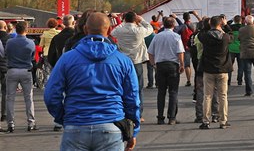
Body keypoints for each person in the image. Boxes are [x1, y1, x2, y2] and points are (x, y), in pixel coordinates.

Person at [44, 12, 140, 151]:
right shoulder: (123, 61)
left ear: (85, 30)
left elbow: (51, 95)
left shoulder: (67, 59)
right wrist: (133, 130)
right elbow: (132, 98)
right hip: (111, 124)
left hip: (76, 125)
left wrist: (63, 117)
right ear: (108, 30)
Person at [111, 11, 153, 121]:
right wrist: (141, 20)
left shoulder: (120, 29)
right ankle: (139, 113)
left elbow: (113, 32)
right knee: (138, 88)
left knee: (123, 87)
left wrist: (123, 22)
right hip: (136, 60)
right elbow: (150, 28)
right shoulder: (139, 30)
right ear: (135, 19)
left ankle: (124, 112)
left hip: (123, 61)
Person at [148, 17, 185, 125]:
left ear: (163, 24)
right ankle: (172, 117)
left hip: (160, 65)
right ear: (173, 25)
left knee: (161, 92)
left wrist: (153, 64)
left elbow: (150, 52)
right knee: (173, 92)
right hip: (173, 65)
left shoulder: (157, 36)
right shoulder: (176, 36)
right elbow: (180, 52)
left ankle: (160, 117)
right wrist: (182, 64)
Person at [198, 16, 232, 130]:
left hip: (208, 69)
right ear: (220, 24)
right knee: (223, 96)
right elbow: (231, 34)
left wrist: (206, 24)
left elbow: (200, 32)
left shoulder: (205, 36)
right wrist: (225, 25)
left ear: (210, 24)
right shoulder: (225, 37)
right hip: (222, 69)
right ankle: (223, 121)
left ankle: (206, 121)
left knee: (207, 96)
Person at [5, 21, 36, 132]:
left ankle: (11, 123)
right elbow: (32, 56)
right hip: (26, 70)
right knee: (28, 98)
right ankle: (31, 122)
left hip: (12, 70)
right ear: (26, 30)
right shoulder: (31, 43)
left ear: (16, 30)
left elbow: (6, 54)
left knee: (10, 98)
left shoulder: (9, 42)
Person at [238, 15, 254, 97]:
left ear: (245, 22)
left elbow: (239, 38)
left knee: (247, 73)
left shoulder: (241, 29)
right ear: (253, 21)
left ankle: (249, 91)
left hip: (245, 52)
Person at [227, 15, 244, 86]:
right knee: (241, 66)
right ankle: (239, 81)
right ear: (241, 20)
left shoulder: (230, 28)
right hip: (240, 48)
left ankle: (228, 81)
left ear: (234, 20)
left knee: (229, 66)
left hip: (231, 48)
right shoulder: (243, 28)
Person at [0, 20, 9, 123]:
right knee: (5, 92)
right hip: (6, 68)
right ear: (6, 27)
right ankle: (4, 114)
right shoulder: (10, 38)